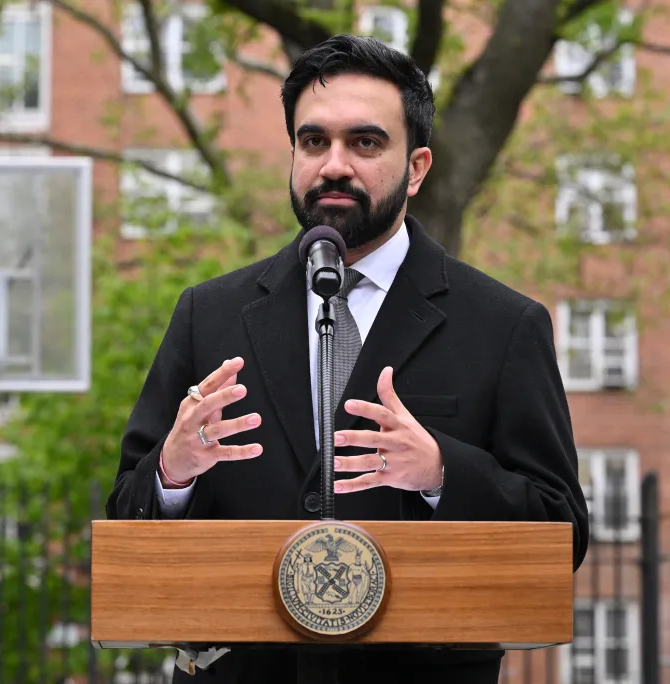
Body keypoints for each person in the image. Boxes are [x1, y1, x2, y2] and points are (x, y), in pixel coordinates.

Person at [106, 32, 589, 684]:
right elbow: (124, 521)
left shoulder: (503, 325)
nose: (334, 164)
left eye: (365, 143)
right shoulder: (209, 315)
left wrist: (442, 471)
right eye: (314, 142)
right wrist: (173, 471)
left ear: (417, 168)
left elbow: (561, 536)